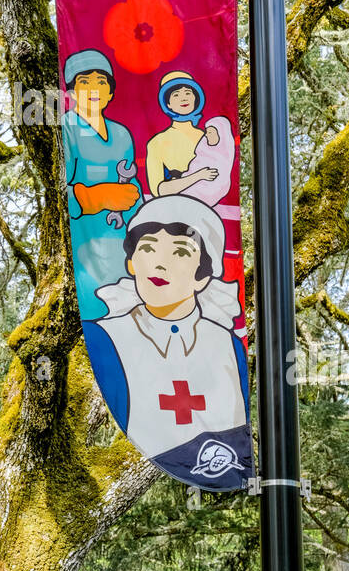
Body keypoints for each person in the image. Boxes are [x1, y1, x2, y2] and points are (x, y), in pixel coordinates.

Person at [82, 196, 251, 485]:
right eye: (148, 248)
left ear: (202, 277)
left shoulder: (228, 344)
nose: (159, 265)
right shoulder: (105, 337)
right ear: (132, 264)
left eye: (181, 252)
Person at [62, 49, 142, 319]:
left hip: (122, 240)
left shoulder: (121, 134)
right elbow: (57, 192)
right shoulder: (66, 128)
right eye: (83, 82)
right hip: (86, 246)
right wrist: (94, 198)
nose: (93, 88)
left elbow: (130, 180)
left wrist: (135, 204)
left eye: (101, 81)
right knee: (98, 309)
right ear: (71, 92)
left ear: (110, 92)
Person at [145, 71, 223, 198]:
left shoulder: (206, 137)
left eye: (188, 93)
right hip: (173, 211)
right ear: (168, 104)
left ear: (195, 98)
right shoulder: (157, 142)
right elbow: (159, 190)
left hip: (210, 210)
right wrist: (198, 176)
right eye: (176, 95)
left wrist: (217, 145)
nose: (184, 98)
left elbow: (221, 175)